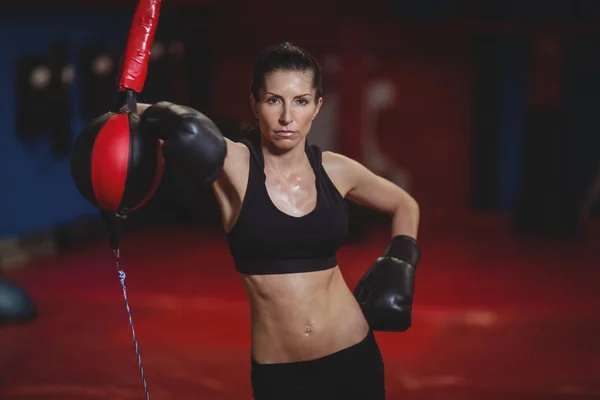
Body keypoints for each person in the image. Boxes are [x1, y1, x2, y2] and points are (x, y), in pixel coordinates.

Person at [135, 42, 420, 399]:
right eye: (274, 100)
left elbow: (404, 204)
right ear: (254, 103)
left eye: (300, 101)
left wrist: (399, 261)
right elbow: (180, 124)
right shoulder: (237, 166)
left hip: (354, 355)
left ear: (317, 107)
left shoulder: (336, 169)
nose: (287, 117)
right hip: (282, 375)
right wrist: (128, 108)